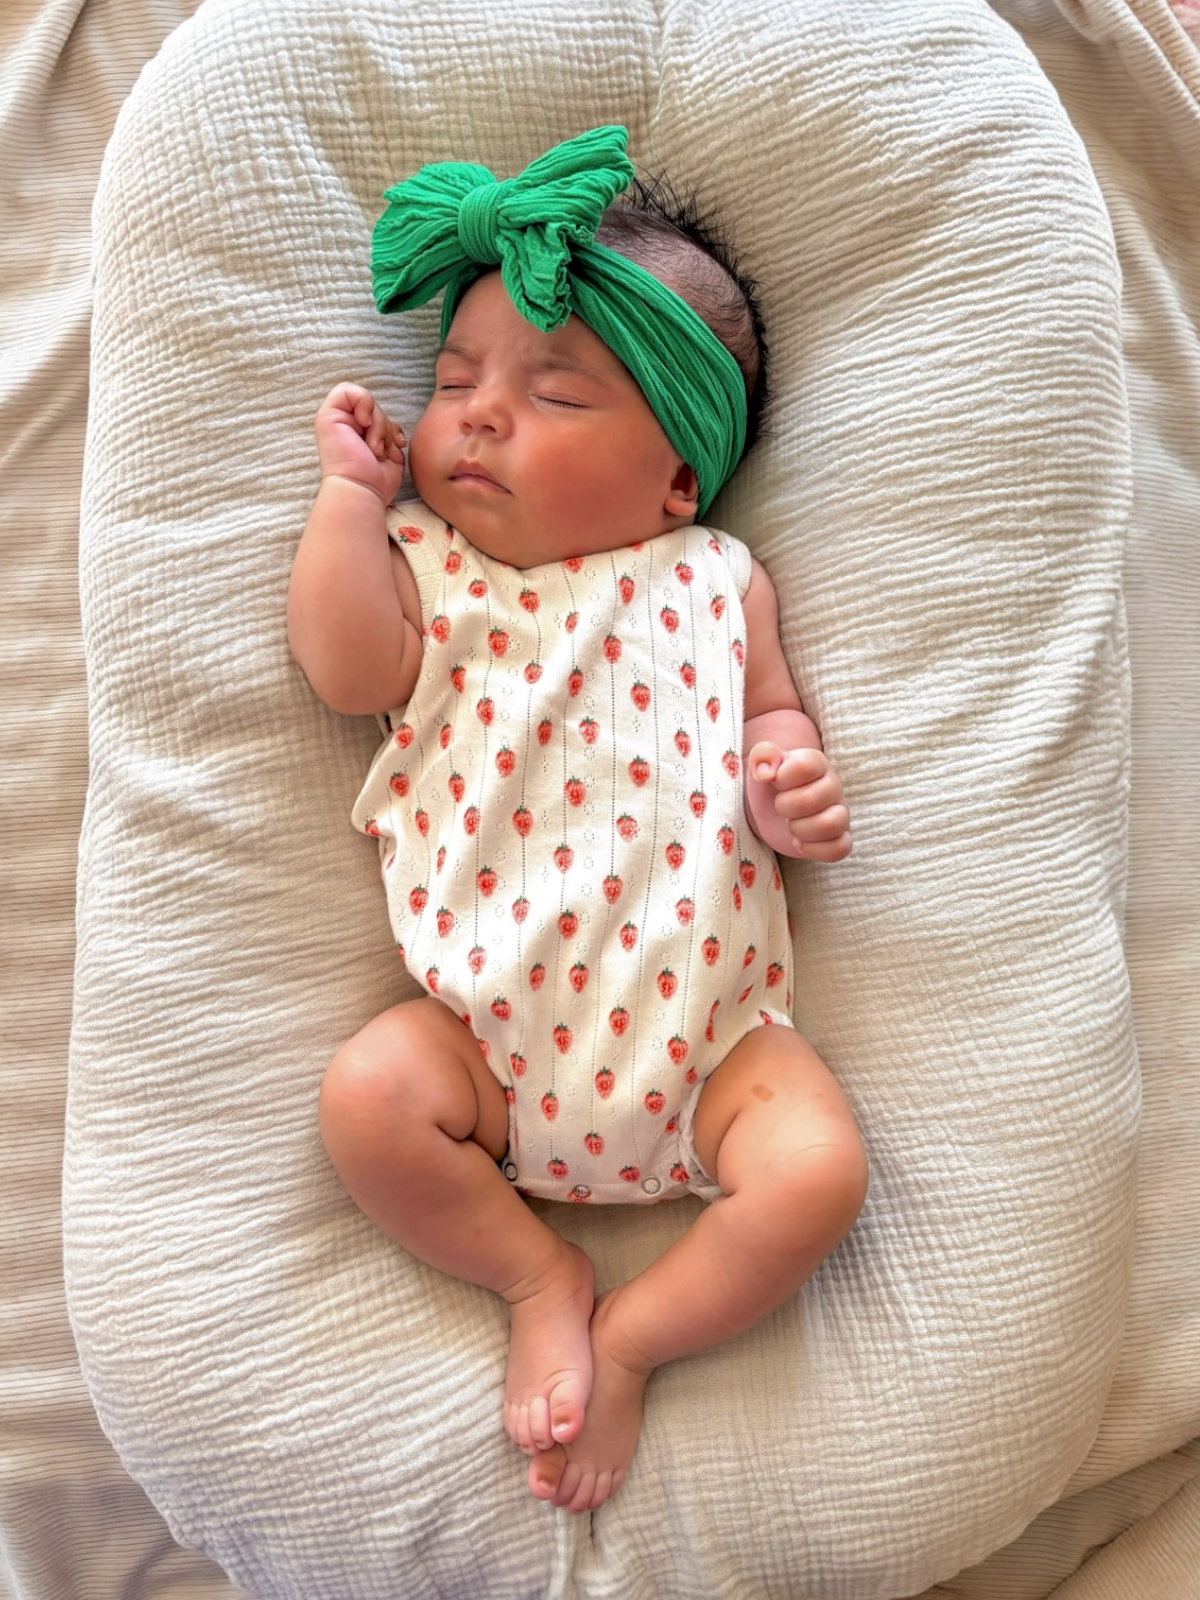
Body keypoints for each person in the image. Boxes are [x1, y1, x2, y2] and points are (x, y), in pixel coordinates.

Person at [288, 127, 867, 1516]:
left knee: (819, 1176)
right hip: (477, 1051)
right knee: (366, 1099)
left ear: (678, 478)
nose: (478, 415)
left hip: (716, 1050)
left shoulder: (719, 581)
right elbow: (348, 669)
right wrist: (348, 504)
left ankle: (637, 1334)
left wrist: (791, 782)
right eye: (457, 380)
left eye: (555, 393)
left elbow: (773, 716)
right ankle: (535, 1273)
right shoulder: (428, 566)